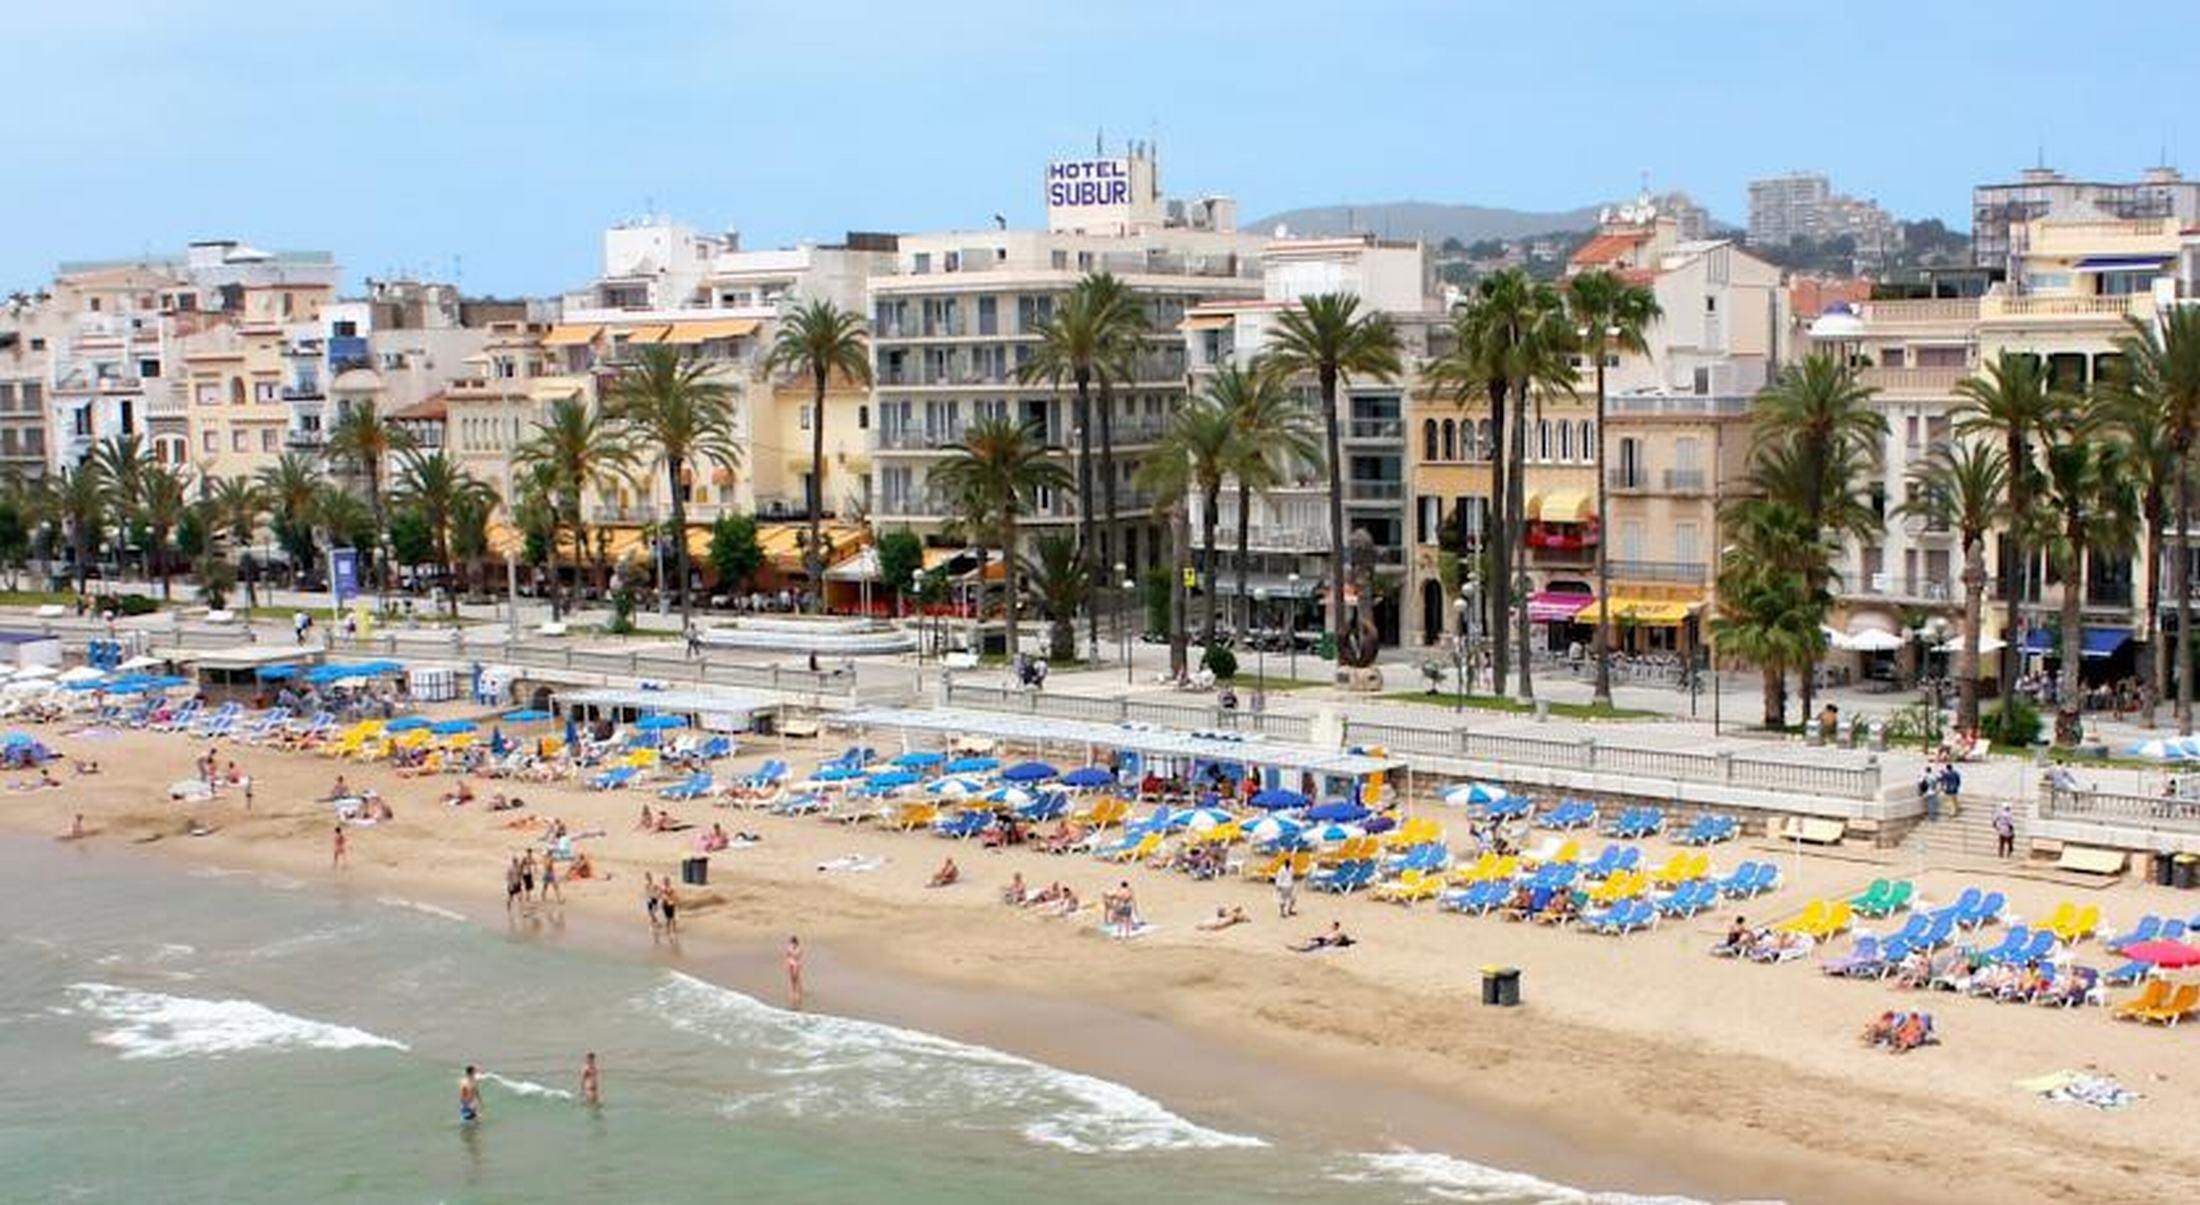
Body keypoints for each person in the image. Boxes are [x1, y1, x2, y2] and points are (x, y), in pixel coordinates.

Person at [785, 936, 805, 1009]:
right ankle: (794, 992)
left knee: (796, 978)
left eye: (793, 943)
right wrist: (787, 964)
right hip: (791, 963)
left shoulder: (799, 949)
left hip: (796, 963)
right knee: (792, 978)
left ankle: (798, 993)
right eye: (792, 943)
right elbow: (787, 955)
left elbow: (799, 957)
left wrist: (799, 964)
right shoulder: (789, 947)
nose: (793, 944)